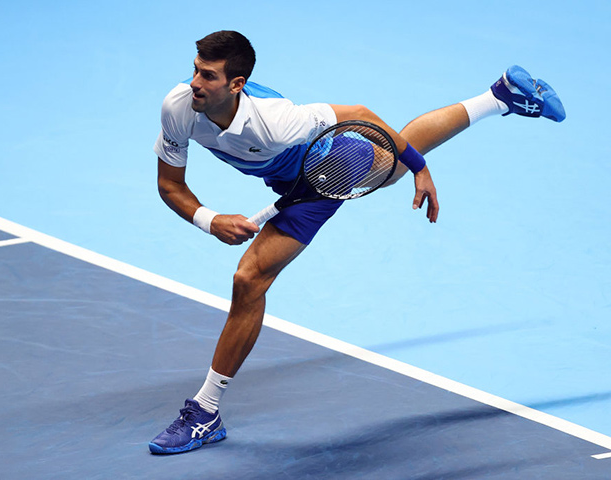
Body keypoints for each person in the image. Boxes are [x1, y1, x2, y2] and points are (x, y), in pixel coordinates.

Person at [148, 31, 565, 455]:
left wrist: (420, 168)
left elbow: (361, 114)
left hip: (331, 161)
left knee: (249, 277)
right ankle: (501, 95)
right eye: (196, 69)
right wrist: (210, 219)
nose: (195, 83)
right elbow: (170, 185)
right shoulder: (180, 107)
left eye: (209, 76)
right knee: (257, 276)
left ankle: (204, 410)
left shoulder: (277, 119)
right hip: (282, 175)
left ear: (236, 84)